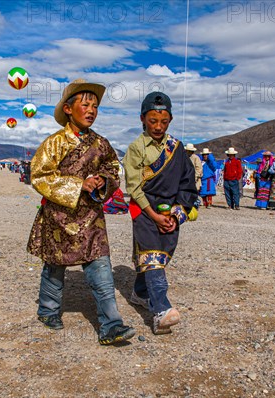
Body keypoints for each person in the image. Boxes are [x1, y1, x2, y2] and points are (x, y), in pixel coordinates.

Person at [27, 78, 135, 345]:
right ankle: (48, 310)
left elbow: (112, 168)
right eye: (85, 105)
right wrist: (78, 185)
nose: (91, 110)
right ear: (67, 109)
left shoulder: (101, 143)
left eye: (95, 106)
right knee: (55, 266)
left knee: (101, 267)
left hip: (91, 217)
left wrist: (103, 181)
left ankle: (111, 325)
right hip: (60, 217)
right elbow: (40, 176)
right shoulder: (54, 143)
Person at [123, 92, 198, 335]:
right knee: (153, 256)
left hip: (170, 212)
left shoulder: (176, 149)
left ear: (170, 120)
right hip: (145, 210)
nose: (158, 126)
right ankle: (162, 311)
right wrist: (155, 216)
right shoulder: (136, 148)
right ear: (142, 119)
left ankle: (140, 293)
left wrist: (176, 215)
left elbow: (187, 184)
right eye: (152, 121)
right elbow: (133, 188)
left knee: (158, 254)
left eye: (163, 122)